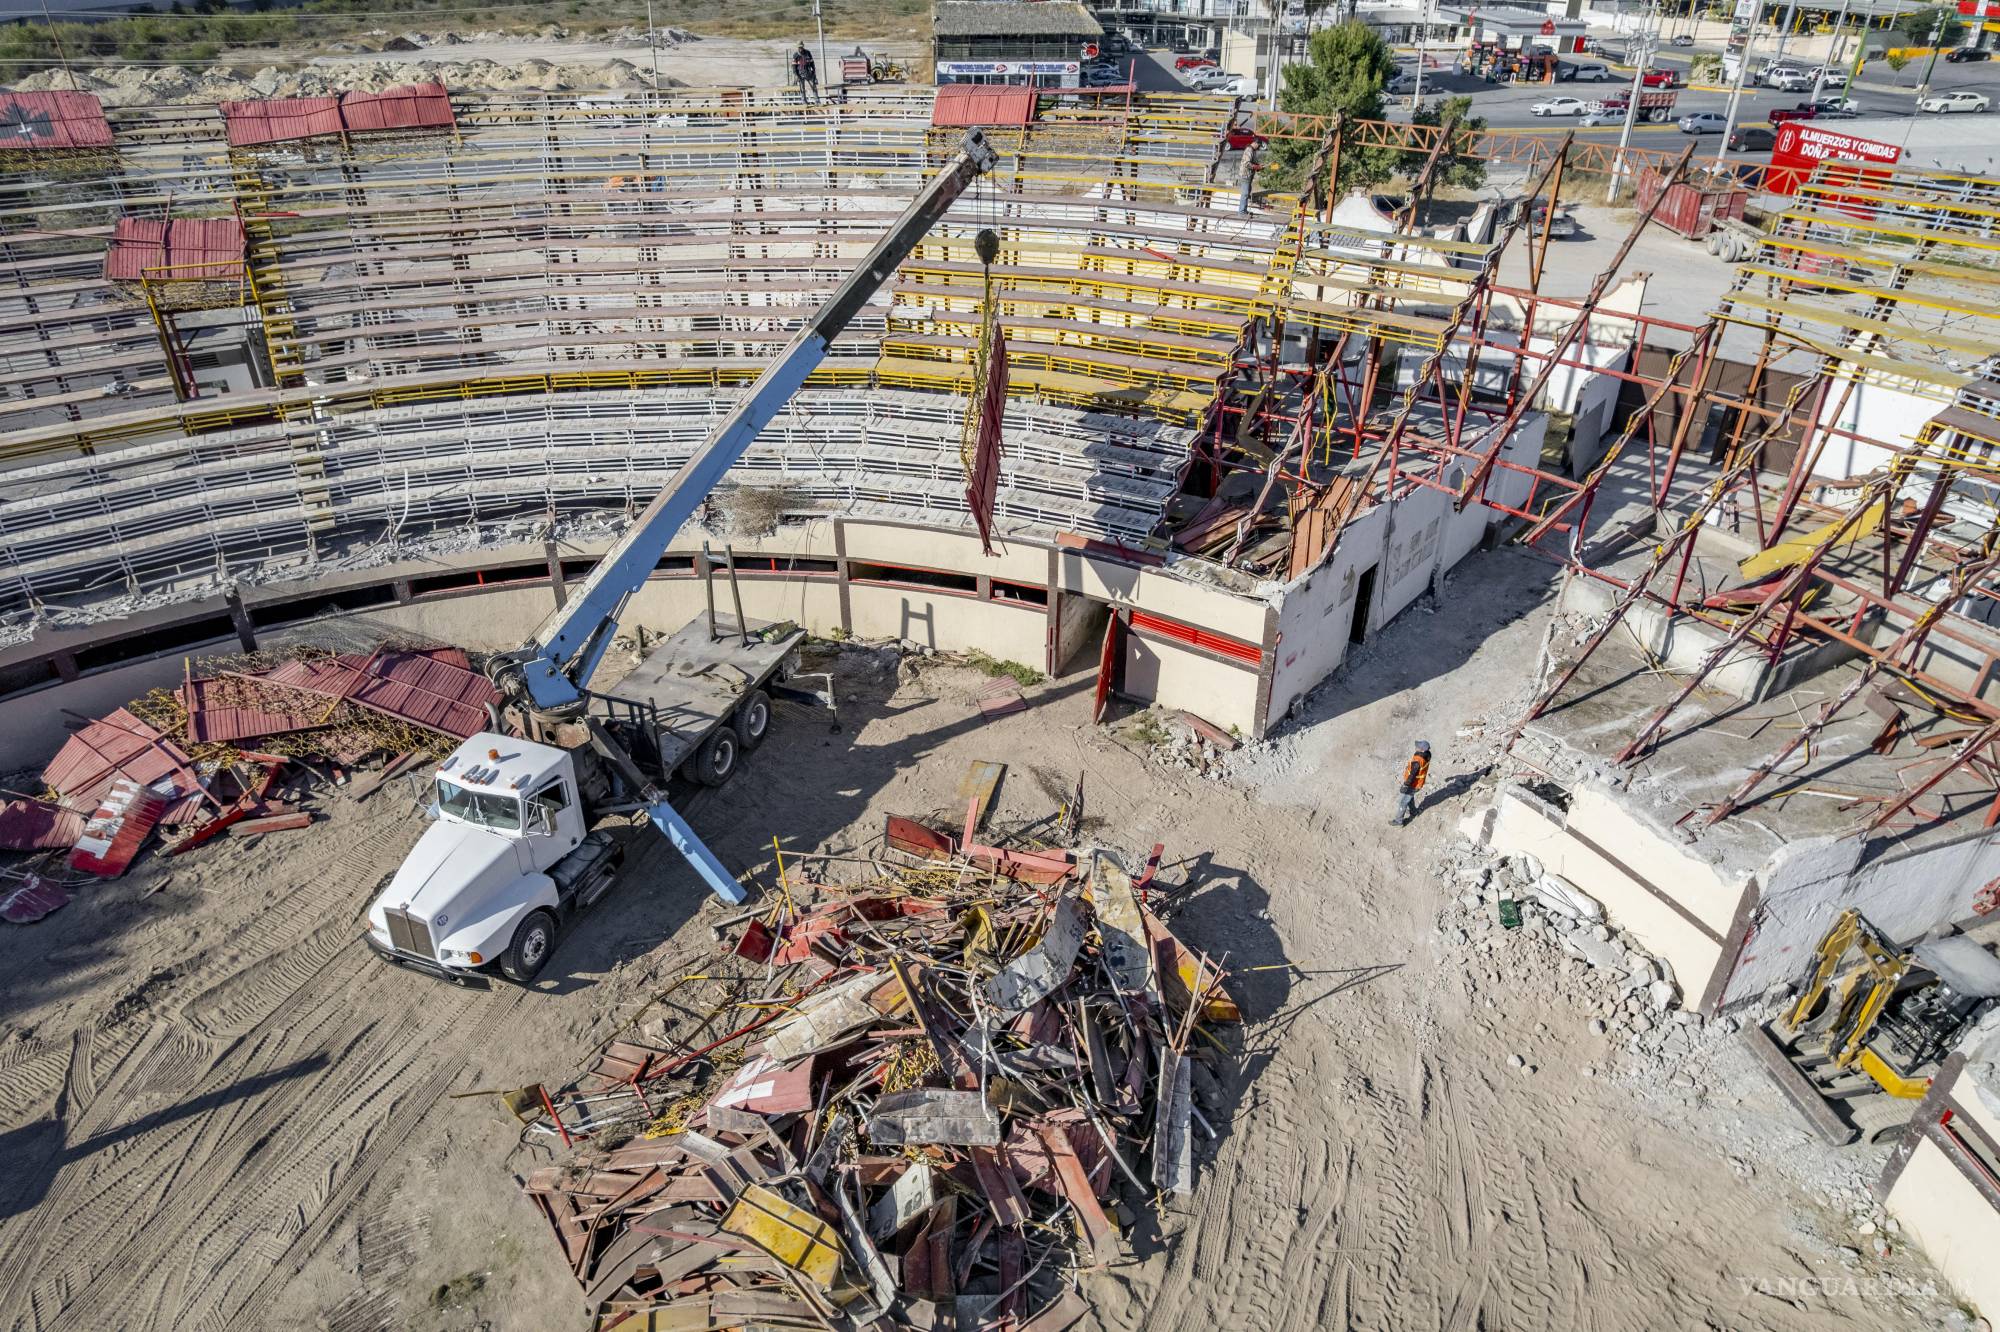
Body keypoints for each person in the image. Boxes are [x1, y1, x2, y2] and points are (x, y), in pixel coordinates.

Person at [1393, 740, 1431, 826]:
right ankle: (1413, 811)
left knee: (1403, 802)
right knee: (1409, 797)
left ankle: (1399, 821)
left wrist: (1405, 785)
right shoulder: (1427, 754)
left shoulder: (1418, 761)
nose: (1416, 747)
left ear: (1422, 750)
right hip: (1418, 783)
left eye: (1418, 747)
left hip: (1413, 784)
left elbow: (1412, 775)